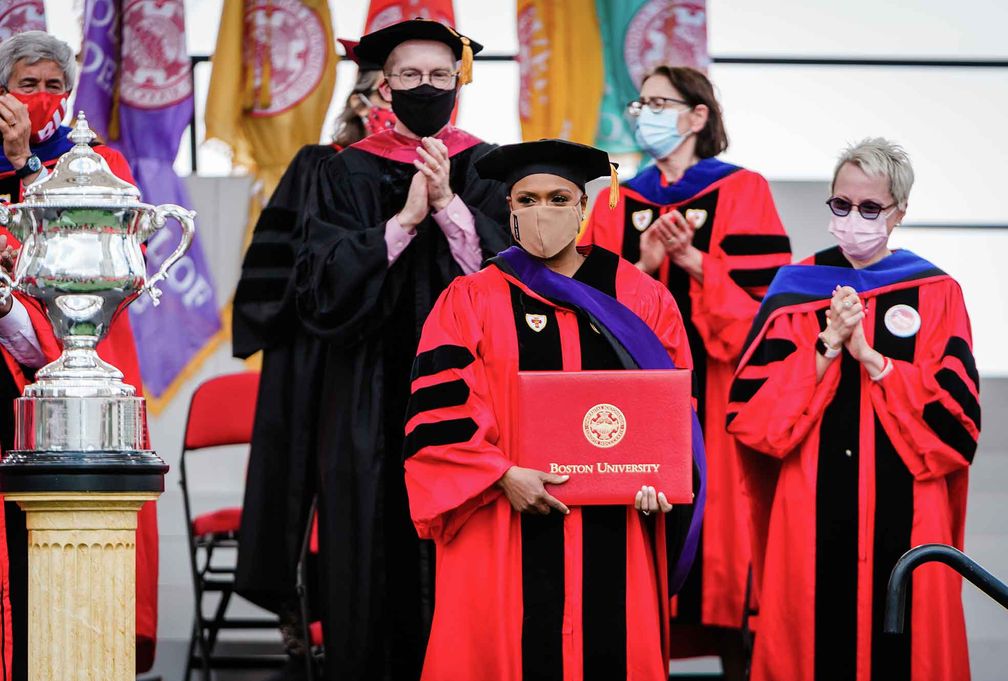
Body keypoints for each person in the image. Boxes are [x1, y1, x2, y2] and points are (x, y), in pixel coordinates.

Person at [405, 138, 703, 680]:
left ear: (584, 209)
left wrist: (660, 478)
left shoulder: (640, 298)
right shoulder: (471, 299)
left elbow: (673, 409)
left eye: (559, 198)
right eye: (527, 199)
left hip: (617, 522)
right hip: (502, 517)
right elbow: (440, 410)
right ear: (509, 209)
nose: (543, 212)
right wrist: (501, 475)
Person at [293, 19, 510, 681]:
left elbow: (509, 278)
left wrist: (448, 205)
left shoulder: (488, 166)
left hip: (465, 397)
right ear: (384, 87)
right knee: (366, 547)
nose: (427, 87)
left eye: (440, 76)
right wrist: (404, 221)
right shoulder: (342, 171)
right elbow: (316, 286)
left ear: (458, 84)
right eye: (412, 76)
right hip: (363, 392)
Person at [727, 138, 977, 681]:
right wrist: (827, 345)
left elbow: (956, 427)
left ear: (899, 213)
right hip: (810, 507)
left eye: (870, 209)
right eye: (841, 205)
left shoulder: (937, 294)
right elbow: (751, 419)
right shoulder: (794, 292)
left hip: (908, 513)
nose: (852, 218)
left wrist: (870, 356)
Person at [580, 64, 791, 674]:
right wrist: (643, 265)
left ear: (698, 116)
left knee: (720, 534)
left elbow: (767, 314)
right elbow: (590, 312)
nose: (645, 113)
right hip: (640, 403)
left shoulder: (742, 190)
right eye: (640, 102)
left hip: (719, 396)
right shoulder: (618, 198)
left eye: (660, 102)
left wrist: (694, 260)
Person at [232, 39, 395, 677]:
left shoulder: (439, 166)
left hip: (390, 357)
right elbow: (279, 263)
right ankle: (297, 610)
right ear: (358, 101)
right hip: (314, 353)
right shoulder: (318, 163)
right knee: (301, 476)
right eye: (379, 89)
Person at [0, 31, 159, 677]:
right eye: (25, 84)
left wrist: (23, 161)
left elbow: (96, 258)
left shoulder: (101, 161)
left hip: (80, 356)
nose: (40, 98)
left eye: (52, 86)